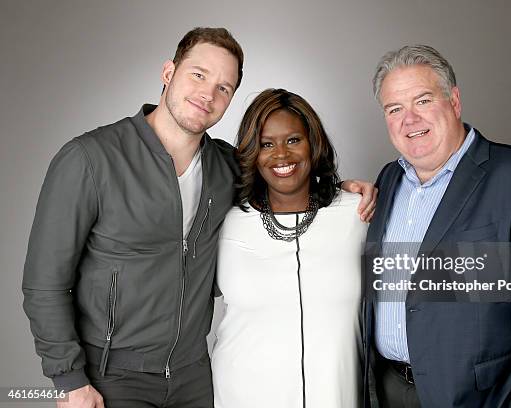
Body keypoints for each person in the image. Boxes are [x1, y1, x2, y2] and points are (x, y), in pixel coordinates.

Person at [22, 28, 375, 408]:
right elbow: (44, 284)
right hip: (113, 378)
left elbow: (283, 173)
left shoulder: (227, 167)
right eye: (198, 75)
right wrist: (69, 380)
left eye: (224, 87)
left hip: (193, 380)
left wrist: (340, 189)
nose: (208, 94)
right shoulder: (90, 159)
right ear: (168, 72)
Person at [362, 45, 511, 407]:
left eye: (422, 100)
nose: (409, 119)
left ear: (454, 100)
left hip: (478, 398)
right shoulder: (388, 180)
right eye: (394, 108)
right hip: (386, 390)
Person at [211, 88, 368, 408]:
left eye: (293, 140)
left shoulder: (359, 214)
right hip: (242, 397)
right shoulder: (224, 222)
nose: (281, 155)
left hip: (336, 398)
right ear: (252, 152)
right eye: (267, 144)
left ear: (314, 143)